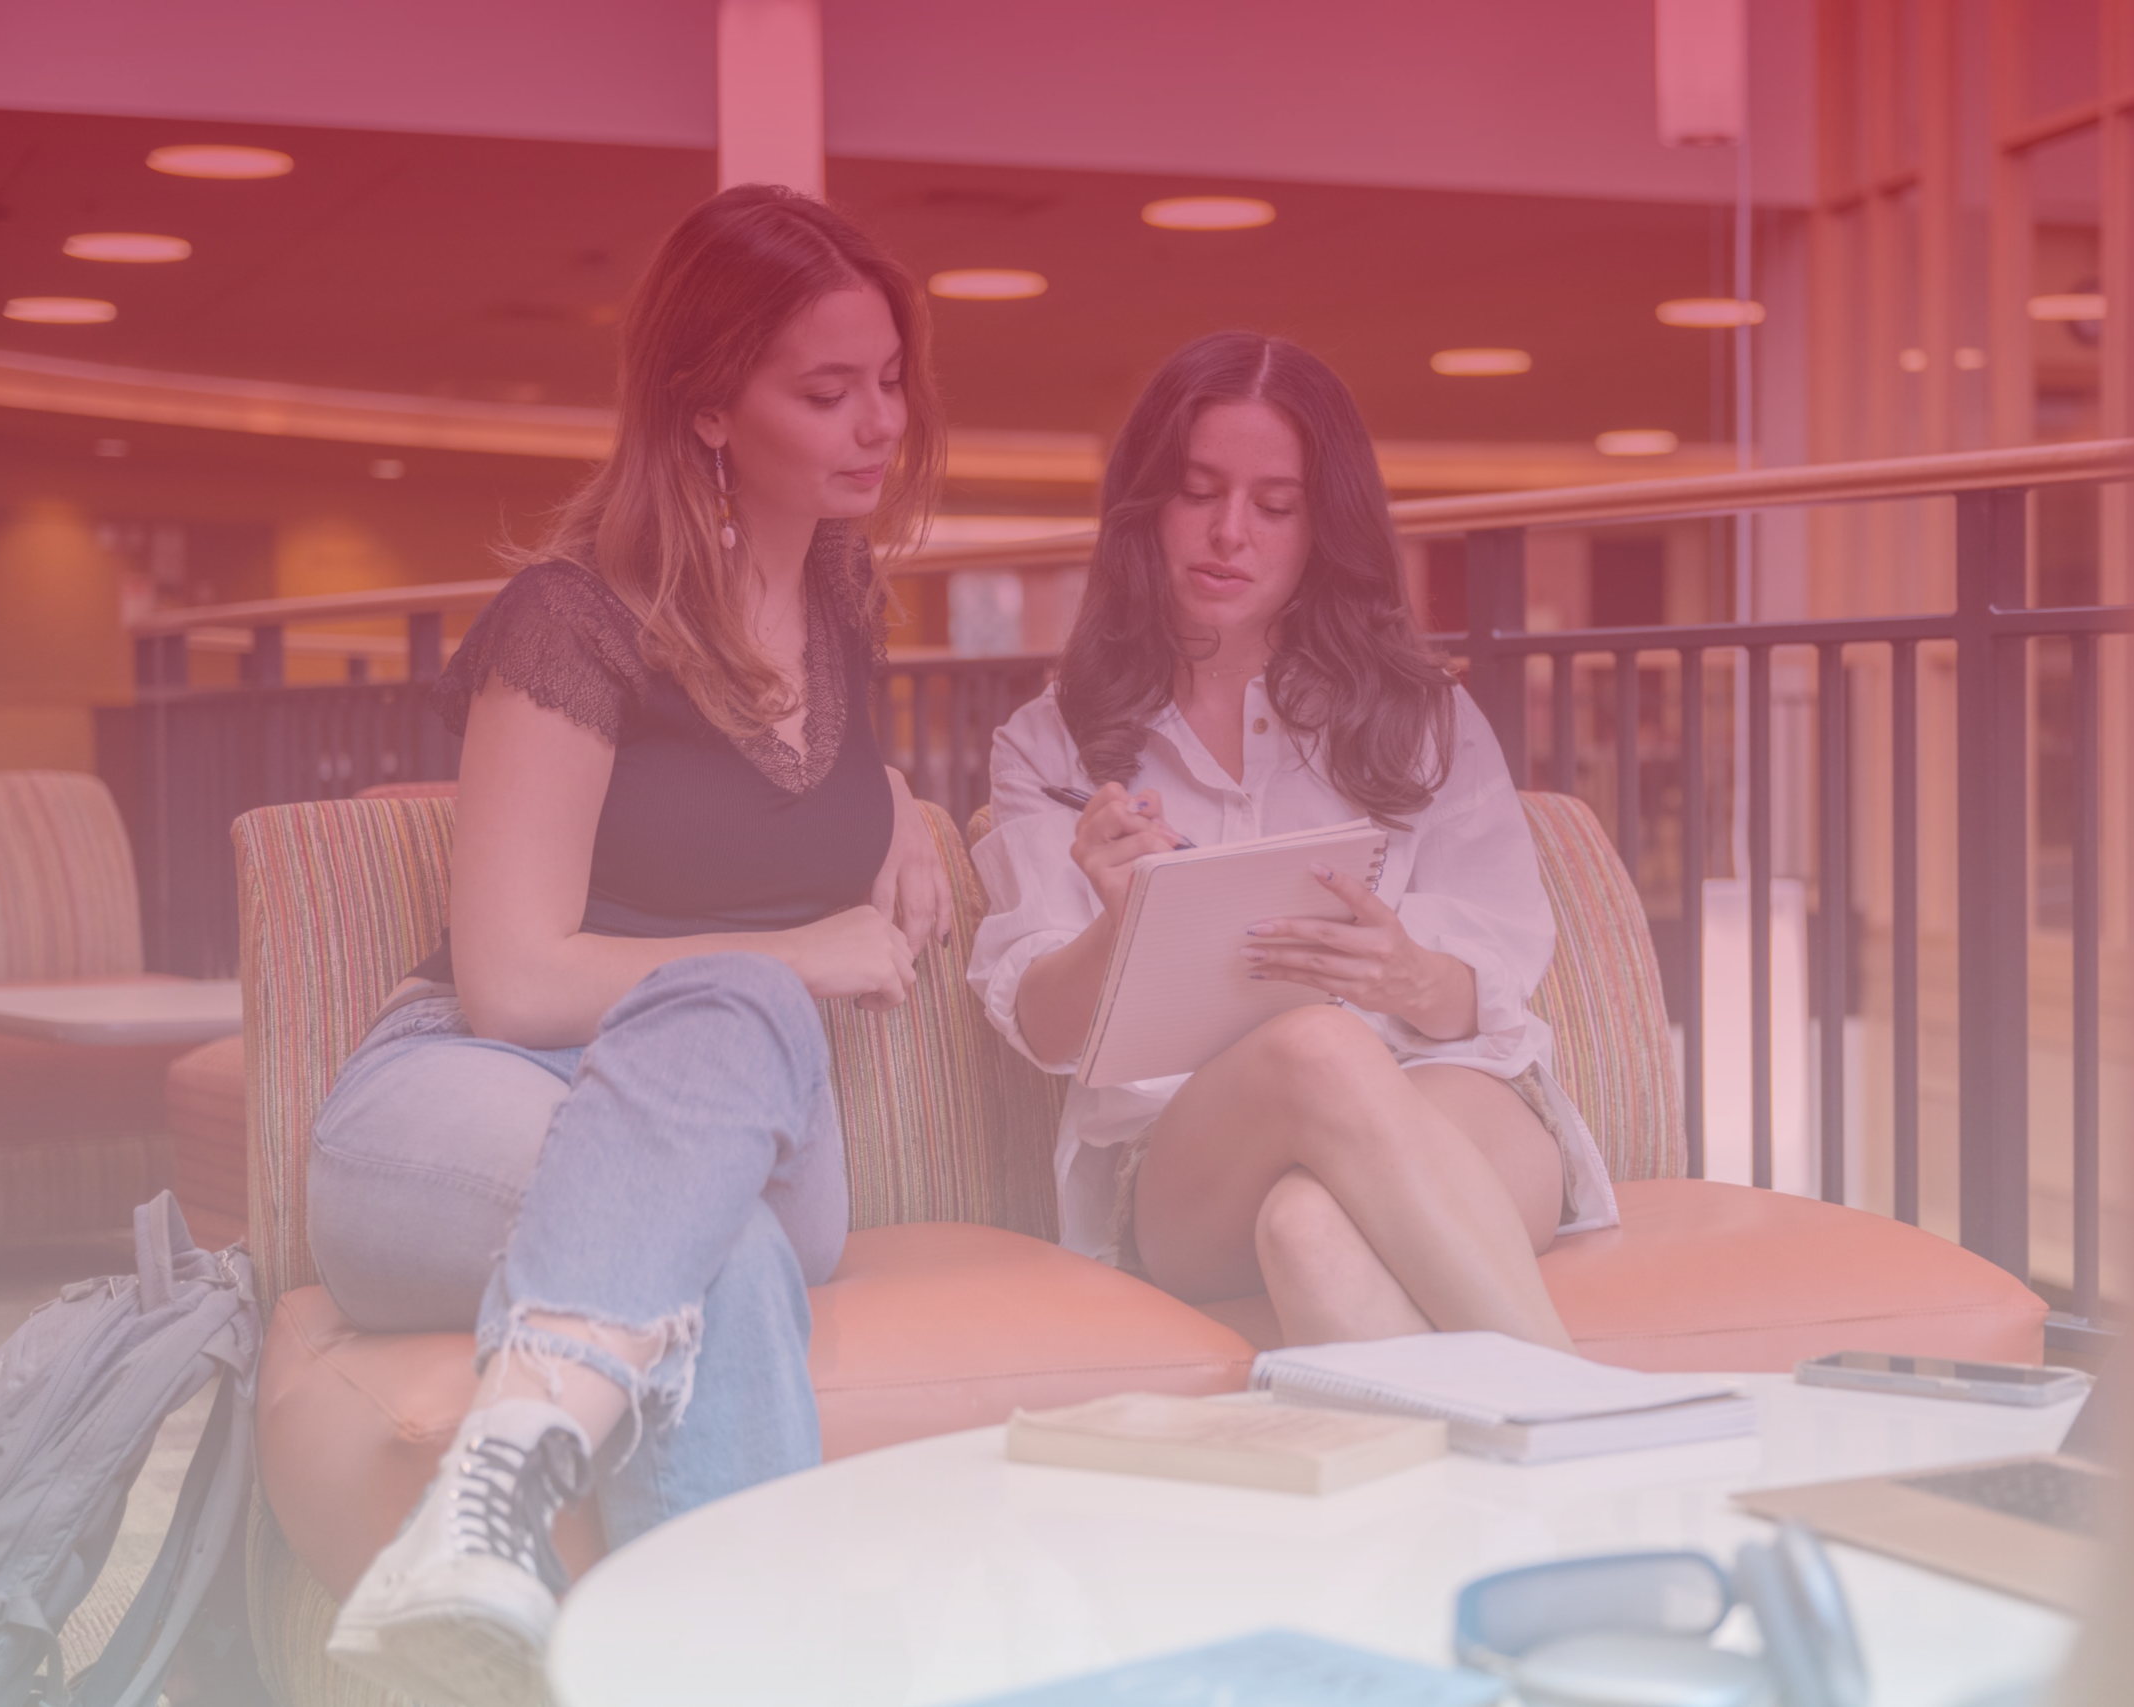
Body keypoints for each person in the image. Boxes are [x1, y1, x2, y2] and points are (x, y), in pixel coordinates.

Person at [308, 184, 949, 1707]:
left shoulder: (847, 601)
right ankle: (623, 1582)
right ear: (707, 406)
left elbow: (777, 799)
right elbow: (512, 979)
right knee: (712, 1250)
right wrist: (795, 949)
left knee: (729, 1091)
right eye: (827, 388)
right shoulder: (576, 621)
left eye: (890, 379)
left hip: (742, 1136)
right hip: (471, 1096)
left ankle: (491, 1480)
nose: (882, 421)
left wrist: (905, 799)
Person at [967, 331, 1617, 1352]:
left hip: (1448, 1096)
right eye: (1197, 493)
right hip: (1190, 1162)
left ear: (1323, 529)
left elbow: (1487, 980)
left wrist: (1407, 975)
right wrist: (1116, 928)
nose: (1231, 533)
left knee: (1313, 1233)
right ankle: (1586, 1416)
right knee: (1318, 1045)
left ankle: (1482, 1485)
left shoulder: (1423, 722)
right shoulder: (1052, 743)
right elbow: (1047, 1031)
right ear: (1147, 506)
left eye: (1275, 508)